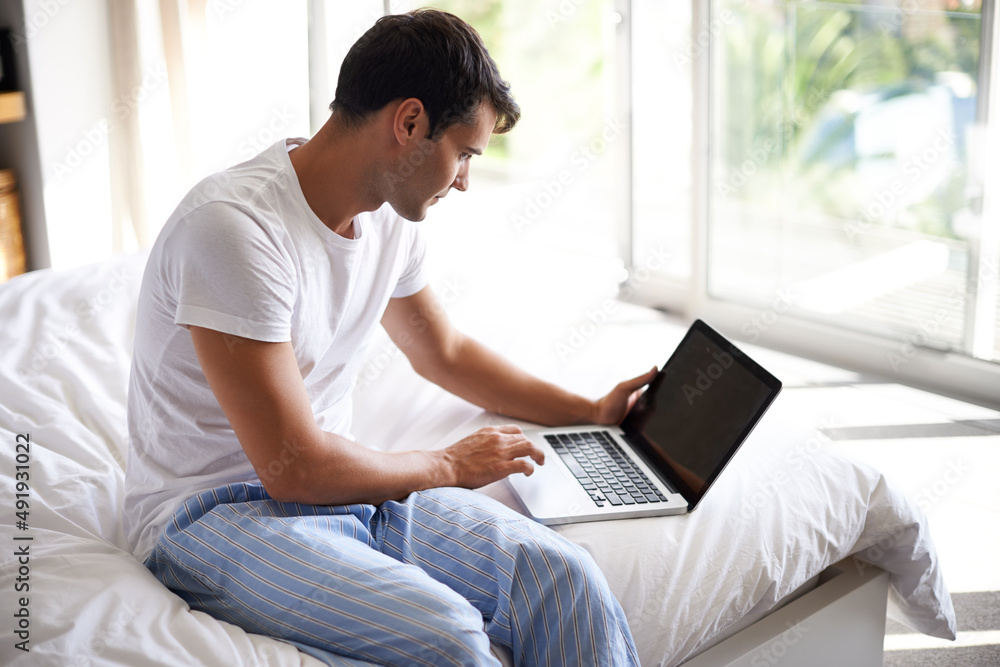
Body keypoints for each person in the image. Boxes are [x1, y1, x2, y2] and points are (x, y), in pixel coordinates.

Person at [124, 9, 654, 666]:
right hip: (210, 517)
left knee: (564, 580)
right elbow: (291, 467)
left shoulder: (389, 221)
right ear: (409, 124)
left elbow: (445, 353)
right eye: (464, 154)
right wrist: (449, 466)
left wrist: (590, 409)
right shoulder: (234, 230)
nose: (464, 180)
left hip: (347, 486)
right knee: (448, 638)